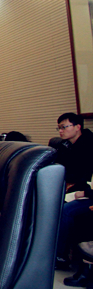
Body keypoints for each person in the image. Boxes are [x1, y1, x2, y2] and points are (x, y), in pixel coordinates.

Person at [54, 113, 93, 267]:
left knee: (65, 209)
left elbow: (82, 175)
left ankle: (60, 256)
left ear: (77, 127)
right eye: (59, 128)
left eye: (64, 127)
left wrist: (80, 191)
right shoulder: (65, 145)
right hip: (76, 186)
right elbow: (58, 166)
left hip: (86, 191)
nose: (61, 131)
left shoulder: (89, 144)